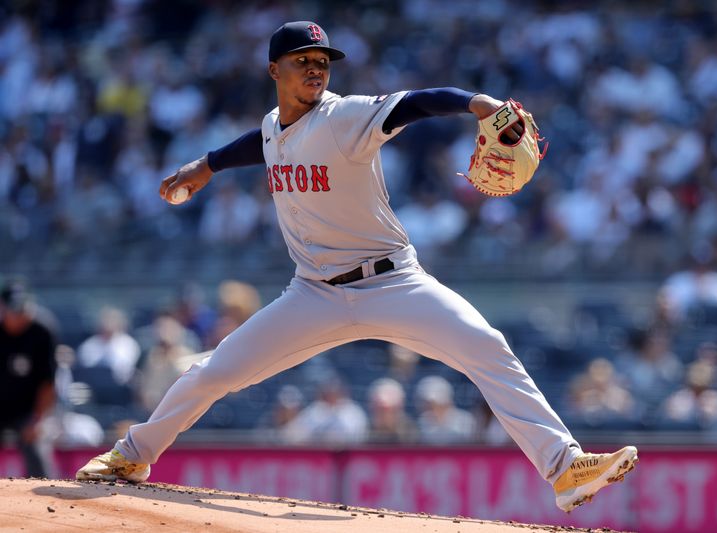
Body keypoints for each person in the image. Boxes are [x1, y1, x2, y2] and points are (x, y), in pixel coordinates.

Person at [76, 21, 638, 513]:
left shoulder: (346, 116)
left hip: (394, 281)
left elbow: (416, 102)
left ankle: (564, 467)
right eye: (305, 62)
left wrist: (478, 104)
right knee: (215, 371)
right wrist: (209, 164)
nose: (317, 69)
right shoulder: (276, 125)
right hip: (312, 295)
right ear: (275, 69)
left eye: (323, 62)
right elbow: (266, 143)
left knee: (486, 345)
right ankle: (131, 456)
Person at [0, 280, 57, 477]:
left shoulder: (42, 331)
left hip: (27, 409)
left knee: (37, 450)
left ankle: (49, 499)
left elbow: (48, 382)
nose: (19, 317)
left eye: (23, 310)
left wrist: (37, 420)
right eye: (14, 312)